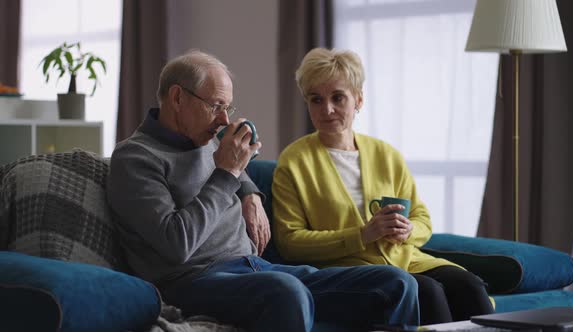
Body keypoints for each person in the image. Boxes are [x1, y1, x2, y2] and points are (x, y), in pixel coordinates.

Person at [107, 50, 421, 332]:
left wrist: (250, 193)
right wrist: (227, 174)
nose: (224, 120)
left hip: (254, 267)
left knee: (397, 283)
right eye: (216, 106)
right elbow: (176, 243)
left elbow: (238, 171)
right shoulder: (135, 158)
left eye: (228, 108)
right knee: (285, 291)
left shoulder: (205, 138)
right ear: (177, 98)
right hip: (192, 280)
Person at [272, 47, 495, 325]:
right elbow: (290, 242)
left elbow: (422, 218)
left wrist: (409, 230)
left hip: (406, 258)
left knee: (468, 285)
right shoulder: (293, 162)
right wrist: (363, 234)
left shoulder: (386, 154)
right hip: (347, 269)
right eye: (316, 100)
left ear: (359, 100)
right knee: (428, 292)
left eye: (338, 97)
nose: (326, 109)